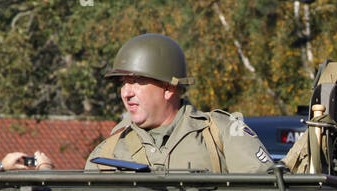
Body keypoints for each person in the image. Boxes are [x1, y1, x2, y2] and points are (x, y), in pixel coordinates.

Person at [85, 33, 275, 173]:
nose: (126, 92)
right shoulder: (107, 153)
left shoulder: (222, 134)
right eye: (123, 83)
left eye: (137, 82)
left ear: (168, 88)